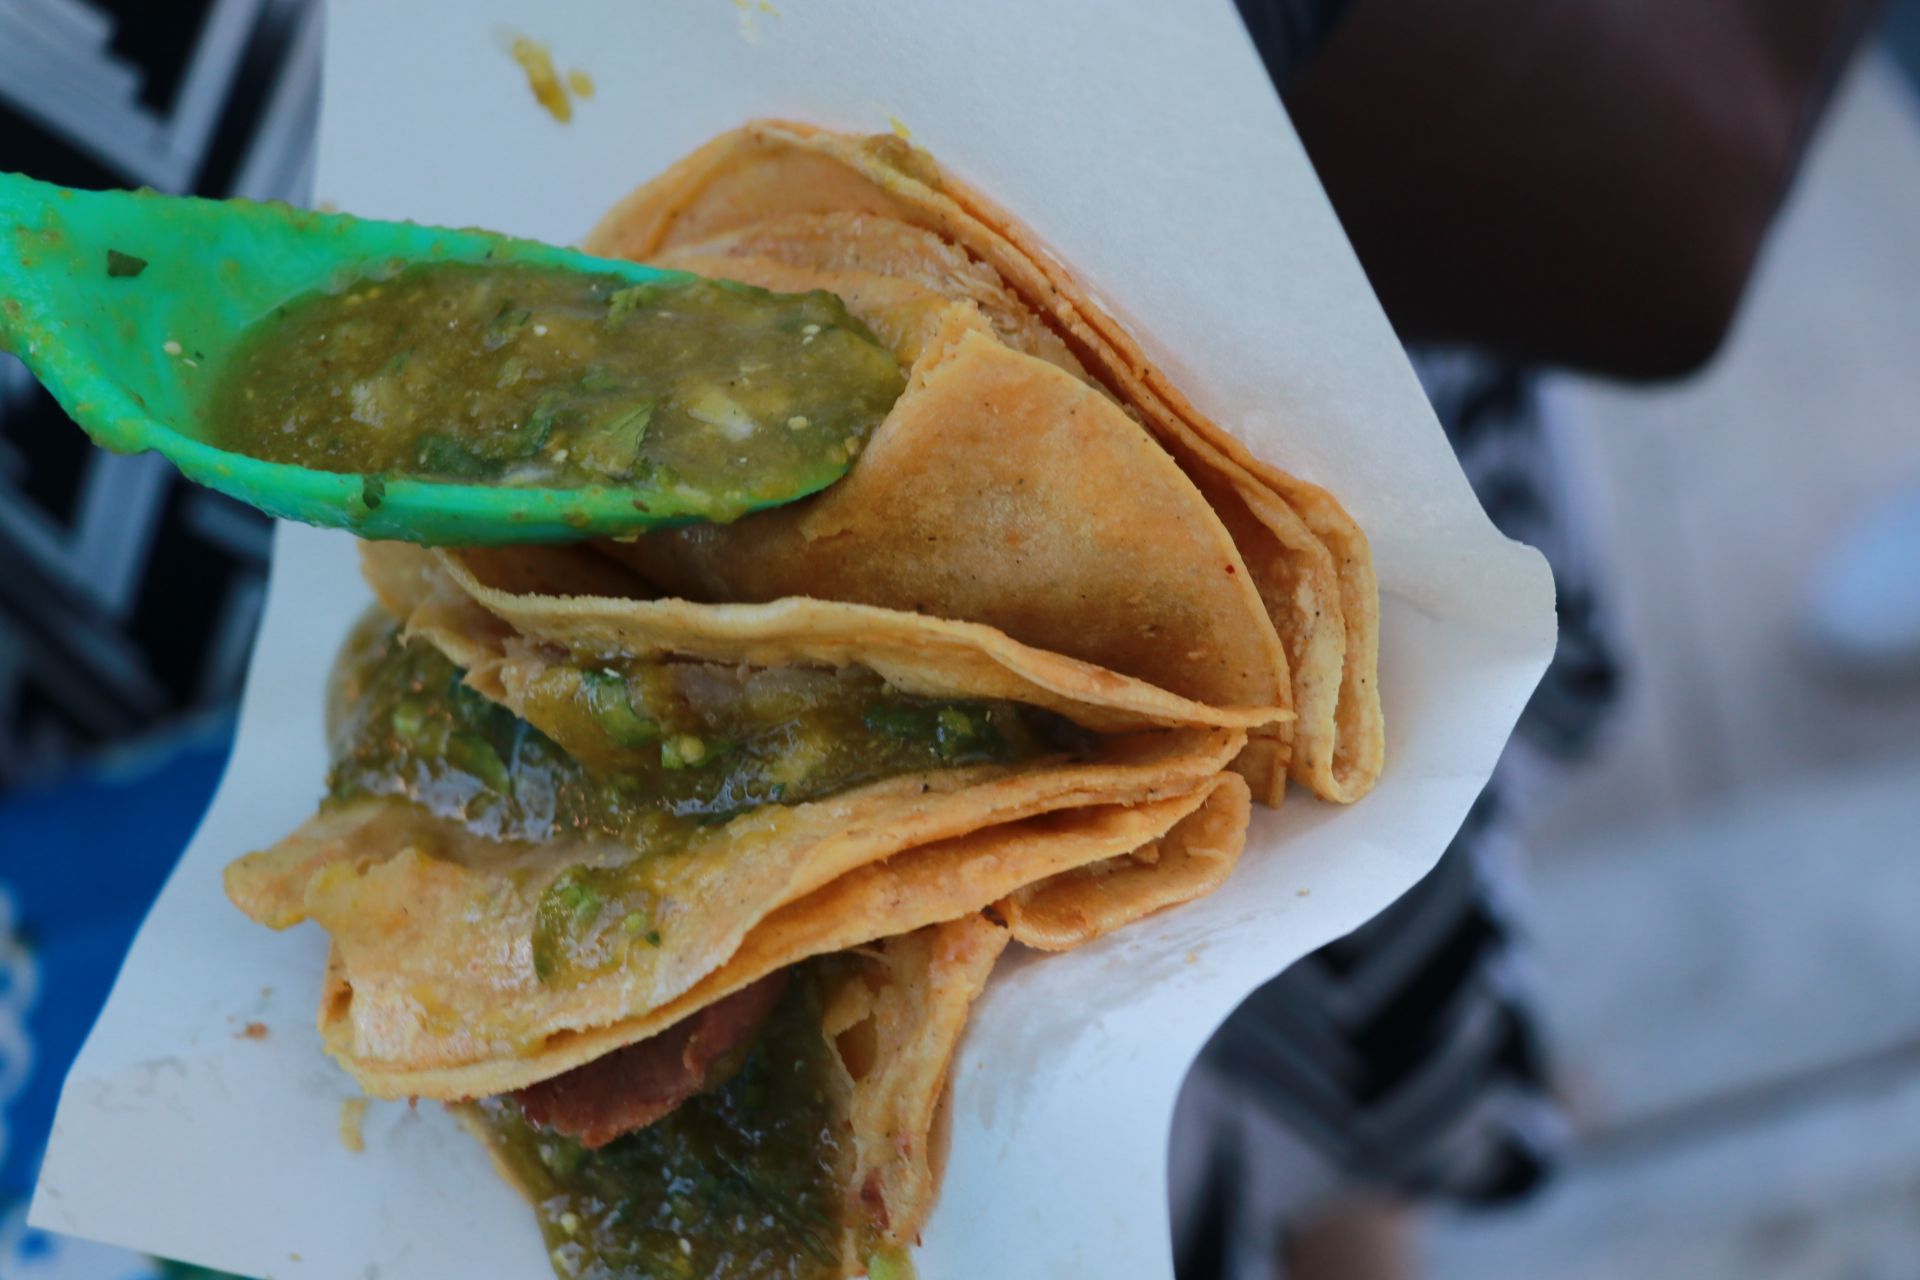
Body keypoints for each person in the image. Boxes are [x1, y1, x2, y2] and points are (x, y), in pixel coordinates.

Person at [1172, 2, 1884, 1277]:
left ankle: (1395, 1158)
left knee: (1370, 764)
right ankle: (1409, 1129)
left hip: (1328, 215)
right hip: (1258, 203)